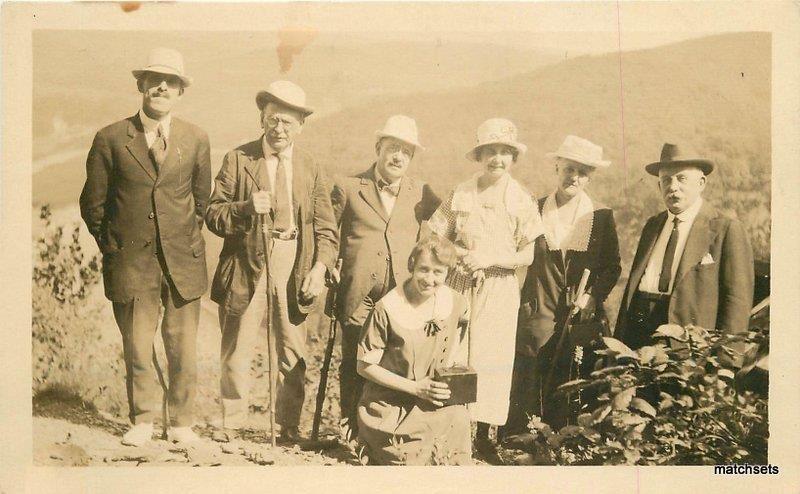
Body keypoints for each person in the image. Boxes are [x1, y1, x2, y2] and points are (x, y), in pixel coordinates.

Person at [79, 48, 211, 446]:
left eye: (170, 82)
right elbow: (93, 204)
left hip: (182, 259)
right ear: (141, 86)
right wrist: (114, 245)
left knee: (182, 345)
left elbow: (201, 201)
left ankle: (182, 422)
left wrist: (182, 237)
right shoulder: (111, 138)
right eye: (154, 80)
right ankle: (143, 419)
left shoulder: (195, 138)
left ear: (180, 91)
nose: (162, 87)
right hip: (131, 260)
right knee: (137, 343)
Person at [205, 80, 338, 443]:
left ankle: (287, 425)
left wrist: (320, 268)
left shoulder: (311, 166)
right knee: (237, 344)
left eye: (288, 123)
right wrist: (246, 209)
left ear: (301, 126)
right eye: (273, 120)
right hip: (248, 261)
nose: (279, 130)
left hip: (295, 261)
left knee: (292, 347)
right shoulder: (238, 159)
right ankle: (231, 422)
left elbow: (327, 229)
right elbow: (213, 214)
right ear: (262, 119)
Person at [427, 118, 542, 461]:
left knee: (491, 358)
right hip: (460, 282)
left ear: (513, 157)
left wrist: (490, 258)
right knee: (455, 354)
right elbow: (436, 236)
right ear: (479, 155)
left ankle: (483, 436)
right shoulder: (461, 192)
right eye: (490, 151)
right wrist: (461, 256)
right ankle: (450, 430)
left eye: (504, 152)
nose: (497, 159)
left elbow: (528, 253)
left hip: (500, 287)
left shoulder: (522, 198)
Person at [330, 115, 440, 439]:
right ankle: (351, 430)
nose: (397, 157)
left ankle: (384, 433)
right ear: (378, 148)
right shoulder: (349, 187)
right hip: (358, 293)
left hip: (401, 295)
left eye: (405, 151)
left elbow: (438, 236)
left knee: (394, 364)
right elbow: (326, 233)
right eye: (392, 148)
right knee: (355, 361)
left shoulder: (423, 194)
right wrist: (328, 267)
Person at [507, 135, 621, 435]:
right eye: (569, 169)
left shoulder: (601, 217)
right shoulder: (534, 207)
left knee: (571, 383)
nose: (575, 177)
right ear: (557, 168)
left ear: (590, 177)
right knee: (529, 383)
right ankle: (523, 442)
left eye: (583, 172)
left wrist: (592, 296)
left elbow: (612, 267)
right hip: (536, 312)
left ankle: (564, 444)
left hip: (579, 317)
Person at [615, 143, 754, 355]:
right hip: (639, 338)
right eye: (666, 180)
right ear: (659, 186)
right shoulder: (653, 226)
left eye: (681, 178)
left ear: (701, 183)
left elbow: (736, 303)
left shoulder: (725, 229)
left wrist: (727, 364)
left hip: (689, 349)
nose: (673, 187)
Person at [356, 236, 472, 465]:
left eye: (438, 272)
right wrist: (415, 387)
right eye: (423, 270)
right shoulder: (387, 308)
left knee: (459, 419)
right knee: (416, 450)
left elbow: (467, 322)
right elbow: (364, 366)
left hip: (430, 400)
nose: (429, 279)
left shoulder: (454, 301)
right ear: (411, 266)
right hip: (390, 405)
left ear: (447, 273)